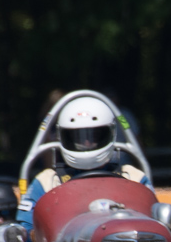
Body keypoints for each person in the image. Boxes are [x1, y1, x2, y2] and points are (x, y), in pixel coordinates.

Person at [16, 95, 150, 230]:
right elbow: (24, 233)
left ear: (110, 133)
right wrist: (33, 236)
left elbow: (153, 228)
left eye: (95, 136)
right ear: (62, 136)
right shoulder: (46, 182)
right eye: (77, 137)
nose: (86, 143)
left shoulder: (134, 178)